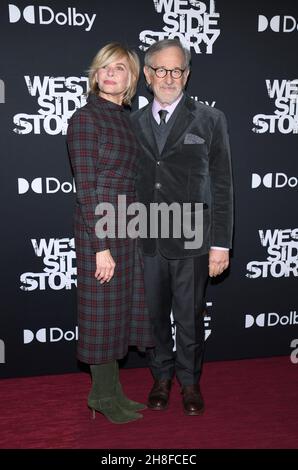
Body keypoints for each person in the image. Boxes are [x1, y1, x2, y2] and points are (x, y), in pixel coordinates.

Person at [131, 39, 233, 415]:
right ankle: (160, 378)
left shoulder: (209, 119)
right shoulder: (133, 121)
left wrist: (221, 244)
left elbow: (222, 184)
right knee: (155, 316)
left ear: (186, 75)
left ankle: (189, 383)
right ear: (147, 75)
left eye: (177, 70)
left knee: (189, 316)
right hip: (146, 237)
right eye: (161, 69)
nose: (169, 77)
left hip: (193, 238)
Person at [67, 43, 153, 424]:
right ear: (96, 74)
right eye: (104, 68)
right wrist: (100, 246)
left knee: (118, 314)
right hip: (98, 229)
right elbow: (86, 186)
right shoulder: (87, 119)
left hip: (125, 227)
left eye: (119, 68)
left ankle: (113, 392)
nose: (109, 74)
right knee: (101, 316)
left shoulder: (124, 118)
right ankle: (101, 397)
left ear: (131, 78)